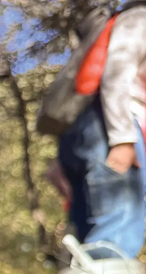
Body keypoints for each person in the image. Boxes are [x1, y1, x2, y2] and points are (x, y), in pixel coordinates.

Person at [58, 2, 146, 259]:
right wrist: (122, 140)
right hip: (112, 129)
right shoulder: (139, 18)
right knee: (117, 230)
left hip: (95, 130)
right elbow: (115, 76)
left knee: (86, 237)